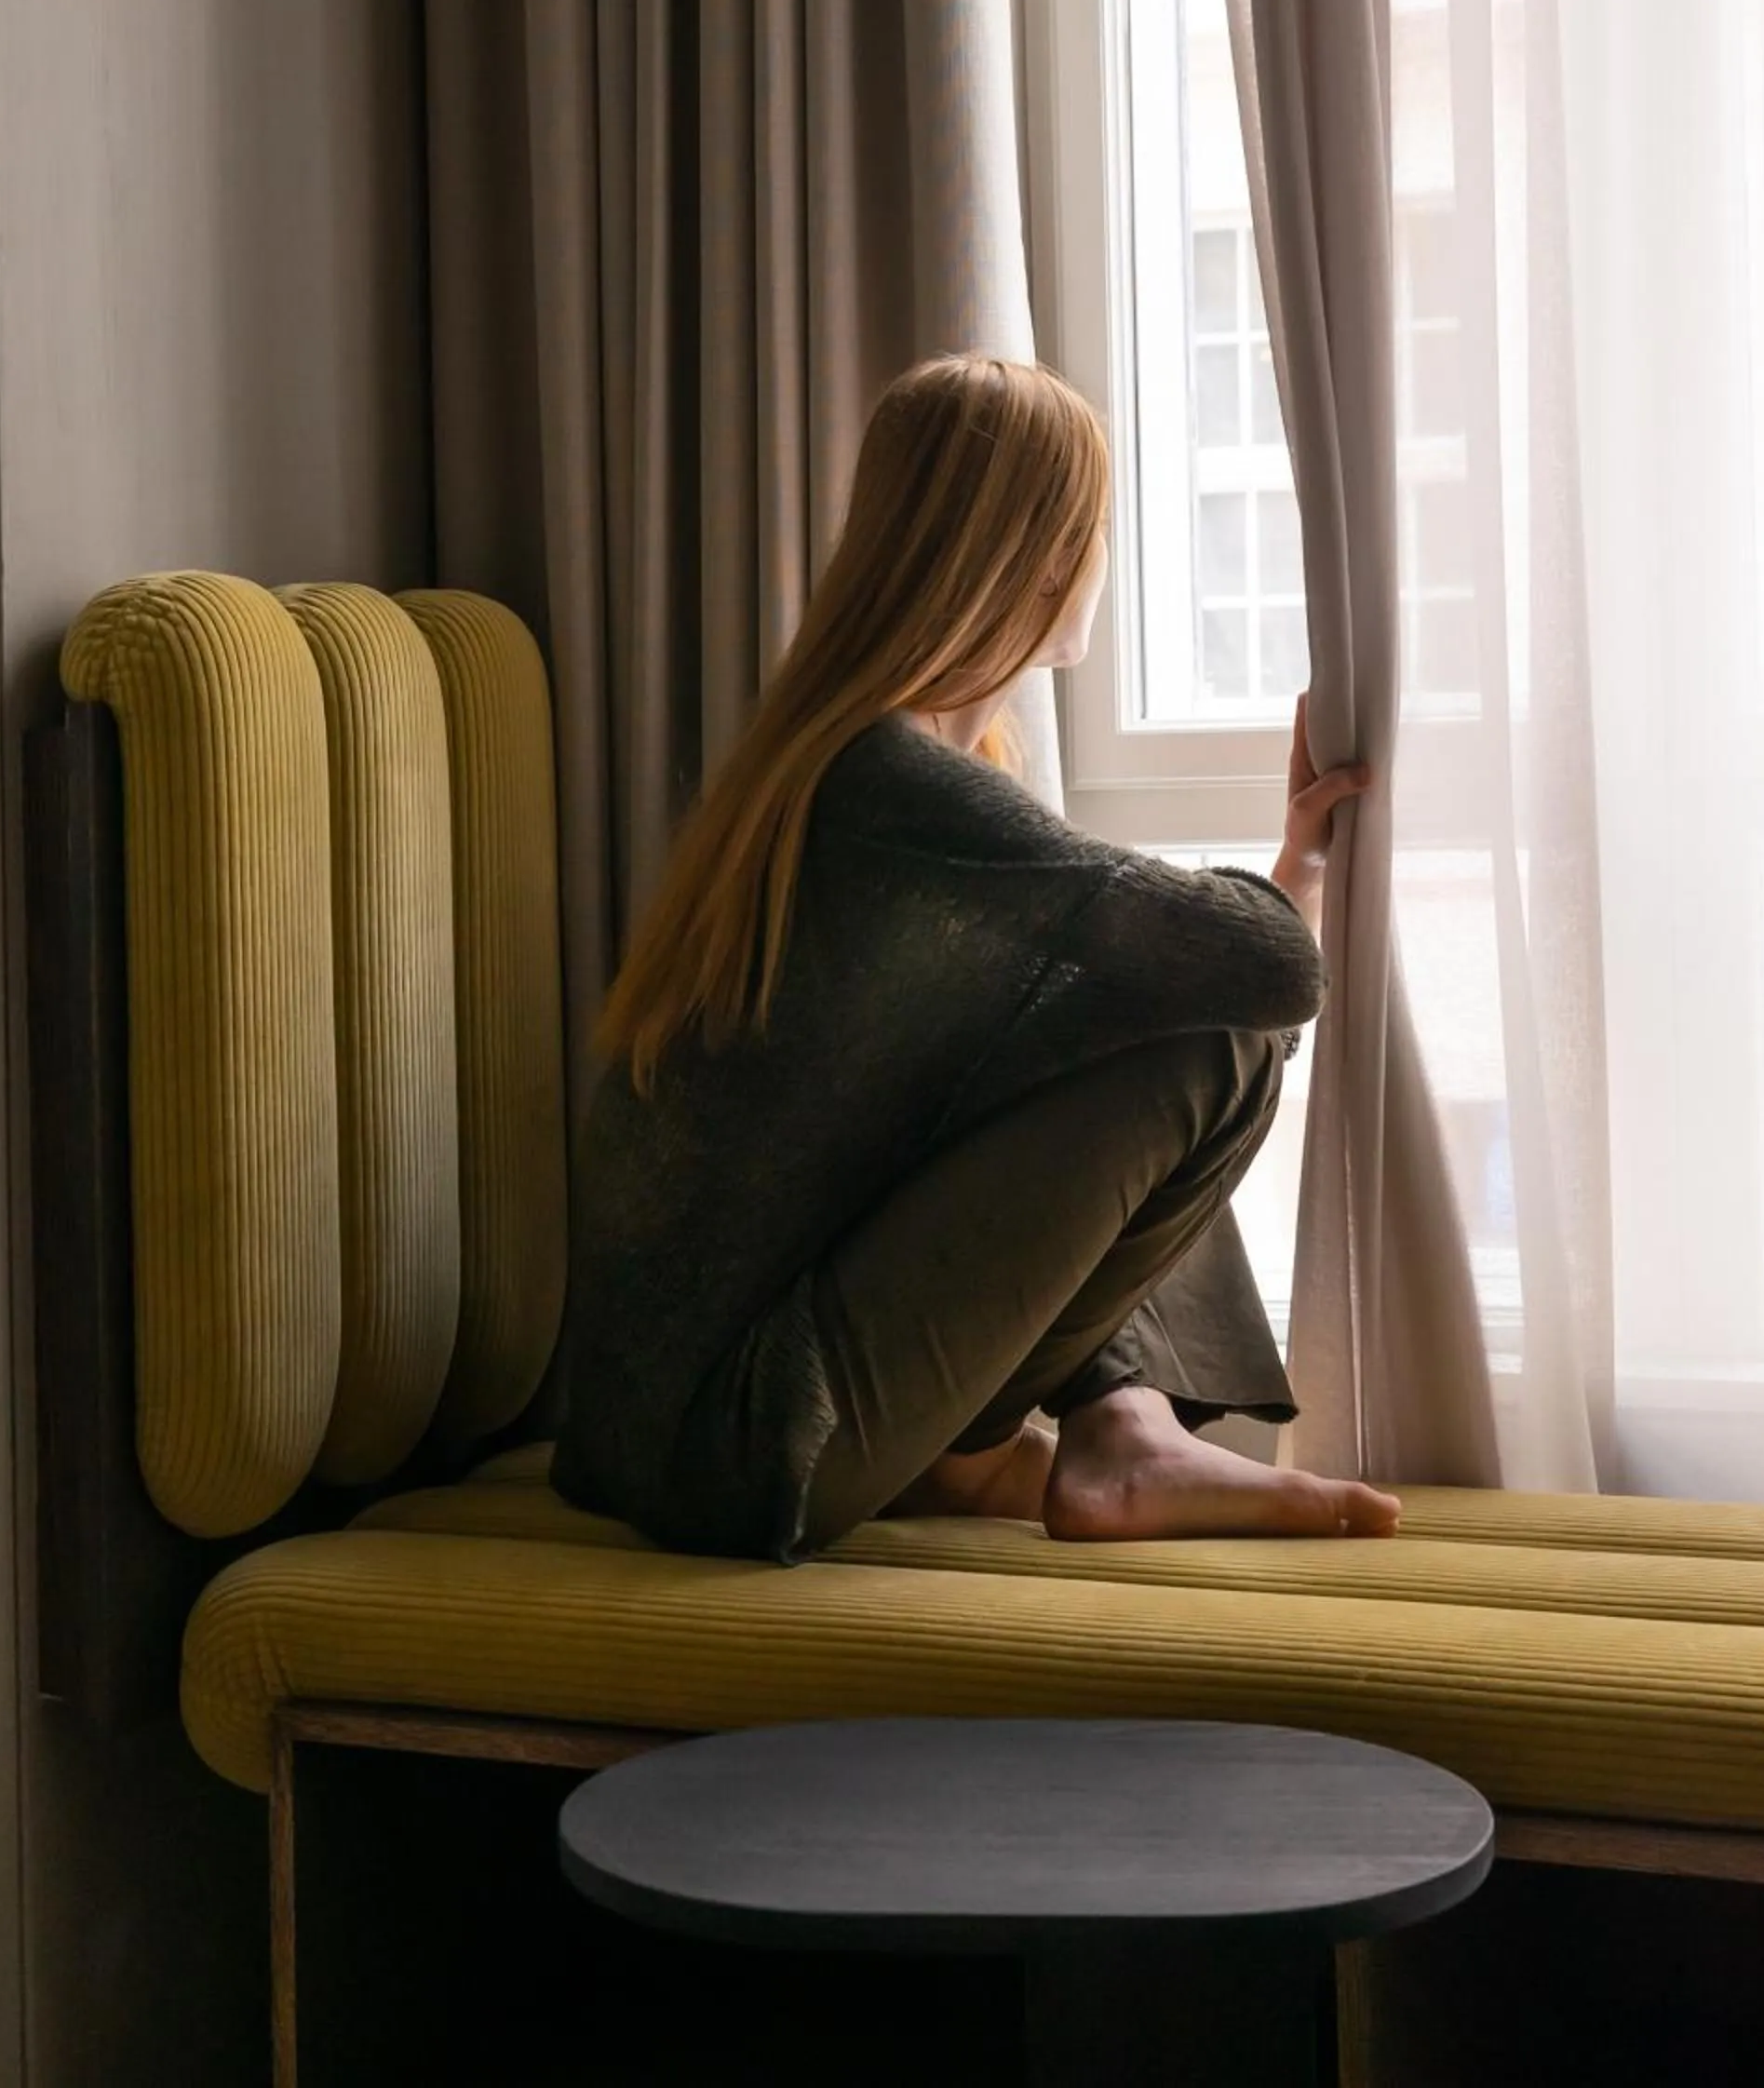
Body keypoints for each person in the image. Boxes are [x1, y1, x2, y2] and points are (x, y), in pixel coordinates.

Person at [552, 354, 1400, 1560]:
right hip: (749, 1448)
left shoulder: (832, 762)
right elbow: (1270, 971)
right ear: (1046, 559)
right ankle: (1112, 1438)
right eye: (1096, 530)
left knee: (1103, 1013)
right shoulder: (894, 781)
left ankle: (1116, 1429)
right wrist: (1293, 879)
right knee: (1211, 1041)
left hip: (662, 1436)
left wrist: (1293, 859)